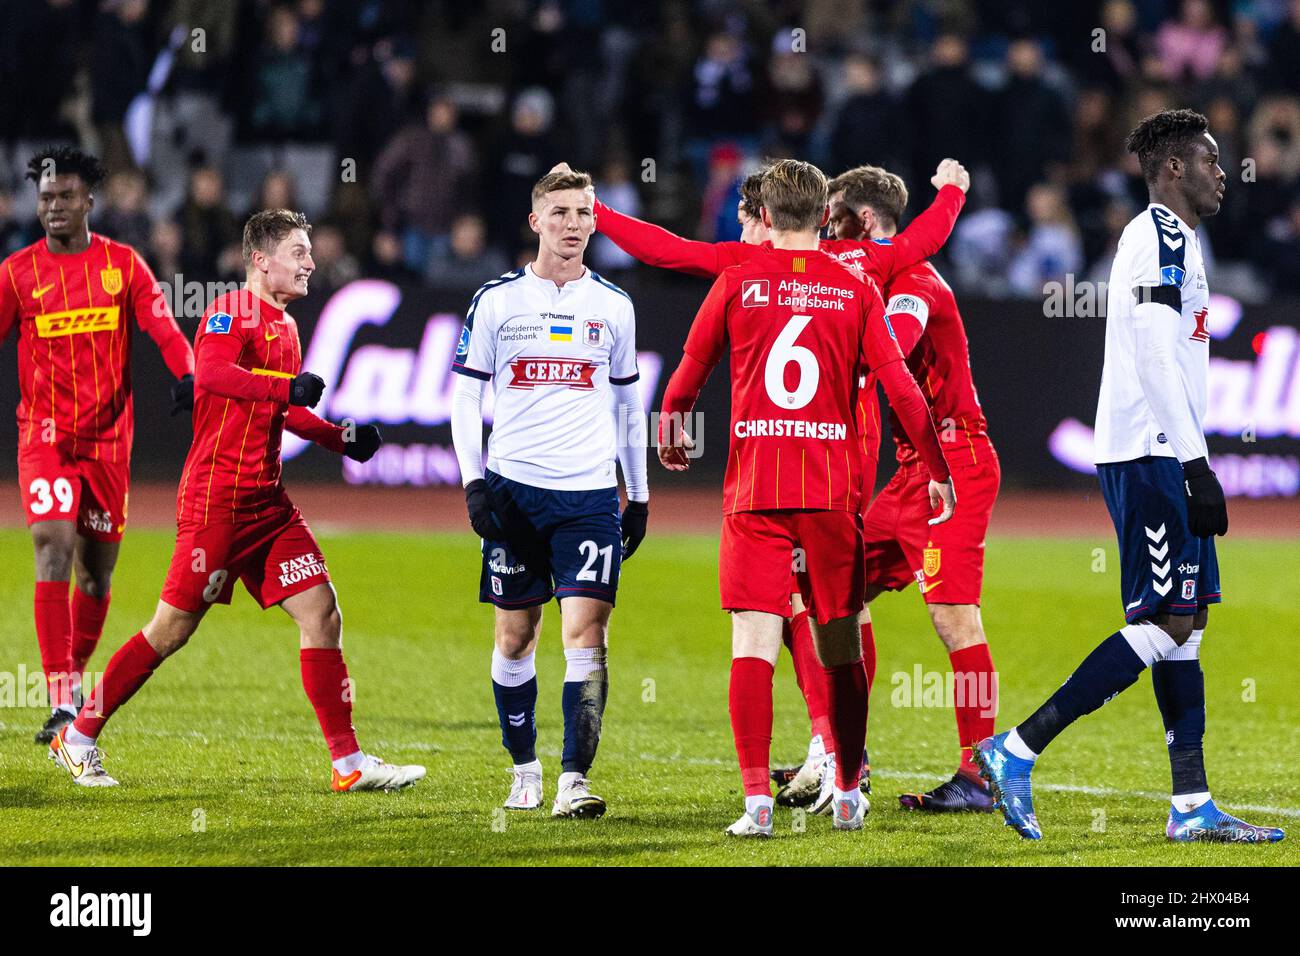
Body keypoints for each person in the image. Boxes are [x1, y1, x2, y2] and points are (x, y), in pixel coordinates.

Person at [975, 109, 1284, 843]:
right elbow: (1151, 352)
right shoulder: (1158, 235)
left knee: (1190, 624)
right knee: (1166, 619)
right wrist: (1195, 462)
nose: (1221, 173)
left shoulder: (1184, 239)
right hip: (1151, 452)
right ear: (1173, 167)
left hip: (1164, 449)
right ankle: (1017, 749)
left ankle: (1191, 805)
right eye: (1210, 160)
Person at [49, 209, 421, 793]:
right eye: (298, 252)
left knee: (323, 615)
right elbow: (214, 375)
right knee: (170, 629)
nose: (309, 263)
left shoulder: (287, 326)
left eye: (308, 252)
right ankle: (78, 735)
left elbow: (282, 408)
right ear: (260, 260)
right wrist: (284, 387)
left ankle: (347, 763)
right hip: (216, 503)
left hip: (268, 505)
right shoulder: (230, 312)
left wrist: (338, 437)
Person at [658, 159, 955, 837]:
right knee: (841, 646)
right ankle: (849, 786)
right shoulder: (854, 290)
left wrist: (671, 434)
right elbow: (903, 390)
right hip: (829, 494)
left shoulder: (737, 280)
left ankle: (757, 803)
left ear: (763, 216)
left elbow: (686, 374)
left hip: (756, 491)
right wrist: (935, 467)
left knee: (752, 645)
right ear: (825, 217)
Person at [778, 164, 1003, 815]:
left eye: (836, 213)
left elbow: (894, 350)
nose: (827, 225)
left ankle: (980, 774)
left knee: (953, 615)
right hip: (911, 472)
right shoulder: (877, 276)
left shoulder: (913, 283)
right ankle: (846, 754)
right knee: (827, 592)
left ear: (864, 222)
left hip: (953, 465)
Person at [450, 169, 648, 819]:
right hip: (513, 490)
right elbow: (466, 393)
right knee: (515, 636)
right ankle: (524, 767)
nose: (573, 223)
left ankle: (573, 781)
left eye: (584, 212)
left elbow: (627, 403)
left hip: (589, 497)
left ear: (596, 222)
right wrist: (474, 482)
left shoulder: (614, 305)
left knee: (587, 634)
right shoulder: (498, 300)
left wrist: (638, 494)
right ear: (536, 222)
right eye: (560, 211)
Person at [0, 146, 195, 745]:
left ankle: (74, 683)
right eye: (45, 199)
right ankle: (62, 698)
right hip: (46, 435)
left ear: (89, 201)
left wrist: (187, 373)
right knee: (50, 543)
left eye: (65, 198)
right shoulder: (15, 273)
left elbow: (163, 327)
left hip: (109, 440)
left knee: (95, 576)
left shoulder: (123, 265)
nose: (54, 207)